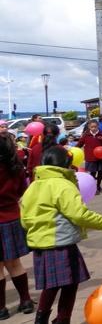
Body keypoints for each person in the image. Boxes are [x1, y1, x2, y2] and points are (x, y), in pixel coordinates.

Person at [21, 146, 102, 324]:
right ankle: (63, 319)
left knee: (51, 286)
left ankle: (41, 319)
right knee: (70, 284)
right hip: (61, 242)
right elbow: (79, 214)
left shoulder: (33, 186)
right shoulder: (63, 185)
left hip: (41, 243)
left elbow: (25, 219)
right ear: (66, 164)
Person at [0, 132, 33, 319]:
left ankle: (1, 308)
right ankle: (26, 300)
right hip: (12, 217)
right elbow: (22, 191)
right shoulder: (16, 167)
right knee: (15, 263)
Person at [76, 120, 102, 194]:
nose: (93, 128)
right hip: (90, 157)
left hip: (100, 157)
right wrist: (74, 149)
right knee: (92, 173)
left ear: (98, 126)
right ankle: (93, 187)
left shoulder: (101, 134)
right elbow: (80, 143)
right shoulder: (86, 134)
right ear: (89, 127)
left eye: (95, 127)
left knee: (100, 172)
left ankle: (98, 186)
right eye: (92, 127)